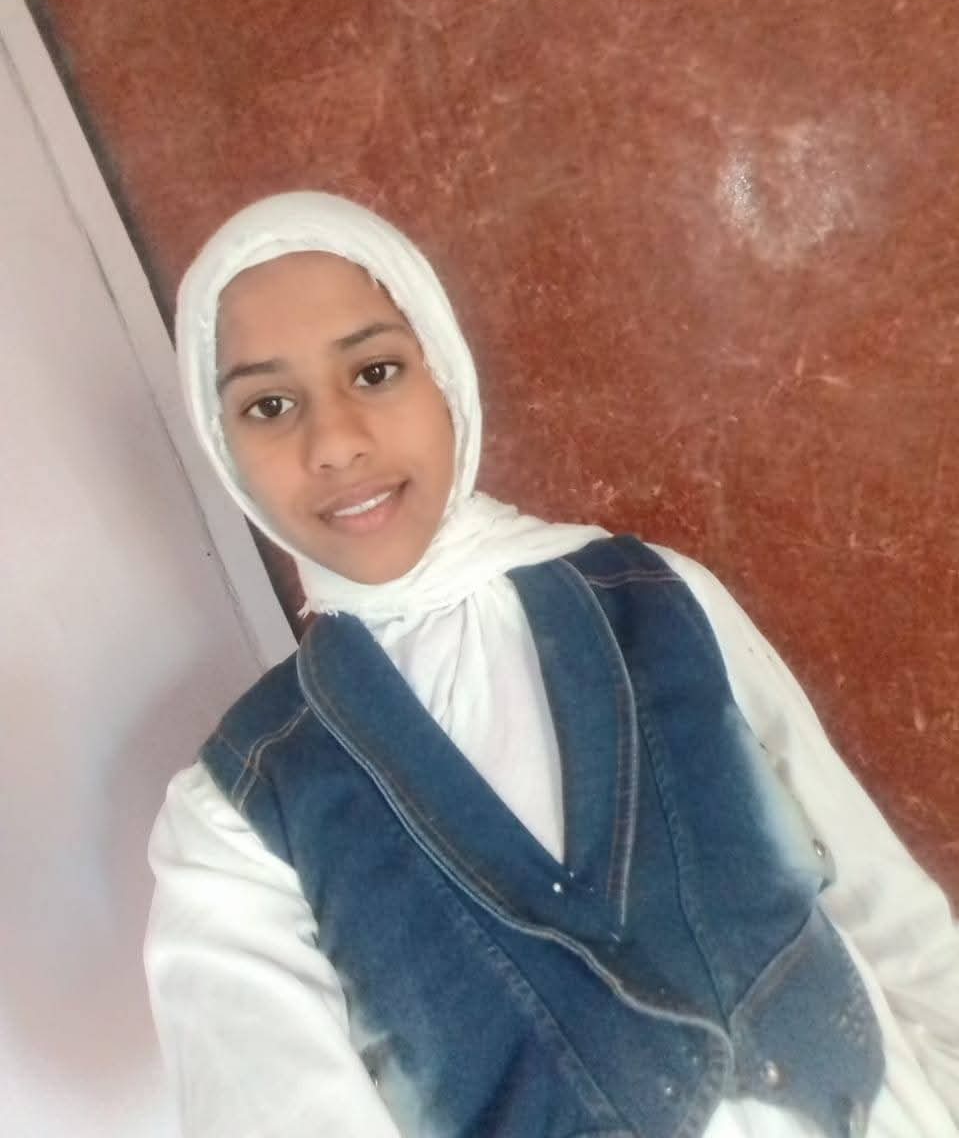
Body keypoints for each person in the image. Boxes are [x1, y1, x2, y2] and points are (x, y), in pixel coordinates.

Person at [146, 191, 959, 1138]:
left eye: (374, 371)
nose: (334, 443)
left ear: (444, 372)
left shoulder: (658, 600)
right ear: (224, 447)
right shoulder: (235, 820)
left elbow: (886, 912)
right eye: (268, 405)